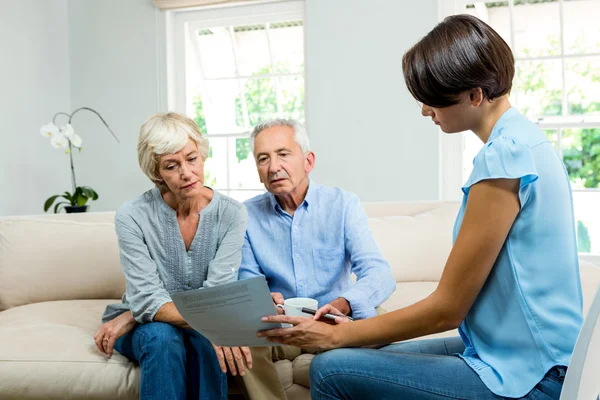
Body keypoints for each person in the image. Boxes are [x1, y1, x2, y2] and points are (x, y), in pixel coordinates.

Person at [257, 15, 583, 400]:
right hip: (516, 356)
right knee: (363, 353)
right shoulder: (529, 143)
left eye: (432, 97)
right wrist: (349, 333)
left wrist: (337, 335)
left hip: (534, 375)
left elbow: (447, 309)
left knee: (330, 368)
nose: (425, 110)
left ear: (475, 95)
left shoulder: (503, 158)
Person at [93, 112, 251, 400]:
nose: (187, 173)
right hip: (150, 328)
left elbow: (216, 296)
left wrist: (139, 312)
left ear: (203, 155)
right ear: (156, 173)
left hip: (170, 319)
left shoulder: (232, 214)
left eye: (192, 158)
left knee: (206, 339)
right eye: (171, 166)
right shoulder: (132, 216)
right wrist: (141, 311)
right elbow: (146, 298)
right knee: (162, 337)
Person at [238, 119, 395, 400]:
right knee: (242, 337)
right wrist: (263, 298)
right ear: (258, 171)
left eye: (283, 154)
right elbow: (247, 281)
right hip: (281, 327)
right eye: (264, 158)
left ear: (308, 161)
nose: (274, 166)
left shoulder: (343, 204)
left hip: (334, 322)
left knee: (385, 324)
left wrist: (343, 304)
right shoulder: (246, 216)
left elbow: (379, 273)